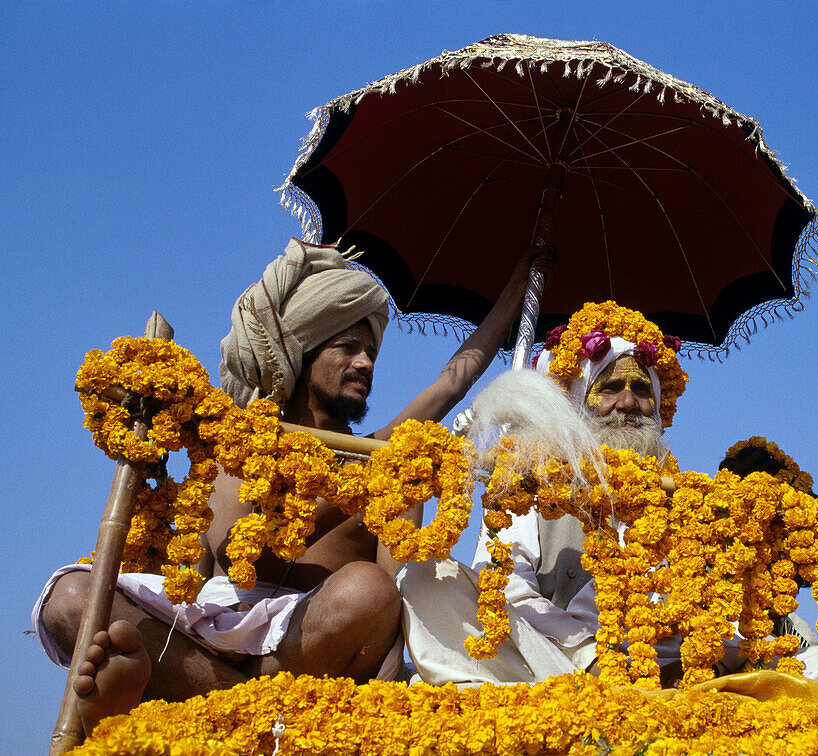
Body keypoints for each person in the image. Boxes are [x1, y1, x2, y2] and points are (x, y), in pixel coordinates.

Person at [33, 237, 552, 737]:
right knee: (69, 598)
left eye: (371, 352)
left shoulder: (384, 458)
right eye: (348, 347)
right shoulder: (231, 448)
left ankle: (192, 699)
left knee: (368, 593)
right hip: (210, 639)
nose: (366, 364)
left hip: (310, 653)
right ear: (299, 355)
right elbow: (217, 571)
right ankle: (229, 699)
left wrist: (518, 288)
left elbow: (450, 384)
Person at [399, 304, 818, 701]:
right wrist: (593, 657)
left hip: (689, 675)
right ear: (578, 402)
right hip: (566, 674)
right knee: (428, 581)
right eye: (609, 388)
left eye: (640, 390)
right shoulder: (533, 481)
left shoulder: (687, 497)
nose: (628, 402)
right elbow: (507, 592)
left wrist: (703, 656)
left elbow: (729, 614)